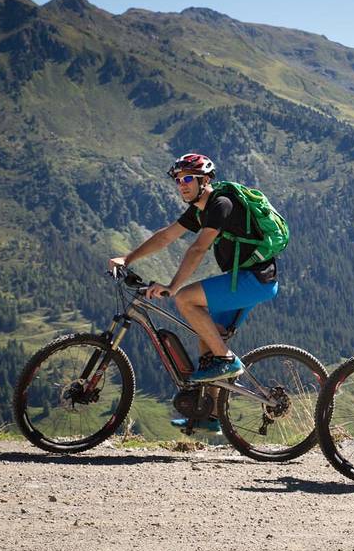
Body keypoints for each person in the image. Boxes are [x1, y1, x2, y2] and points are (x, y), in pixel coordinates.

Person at [108, 153, 281, 427]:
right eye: (178, 180)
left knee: (187, 300)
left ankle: (226, 359)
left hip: (253, 280)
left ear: (205, 180)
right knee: (208, 334)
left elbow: (198, 248)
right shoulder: (200, 208)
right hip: (244, 278)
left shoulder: (221, 204)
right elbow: (166, 236)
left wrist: (172, 287)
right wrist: (127, 259)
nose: (182, 185)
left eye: (188, 178)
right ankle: (210, 415)